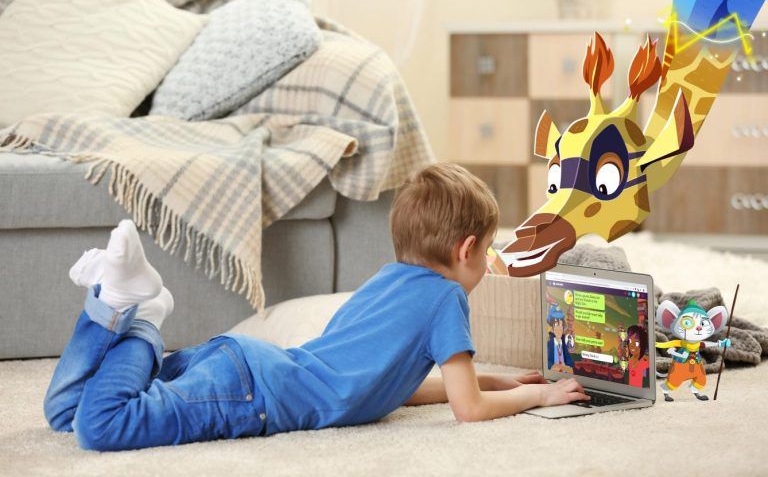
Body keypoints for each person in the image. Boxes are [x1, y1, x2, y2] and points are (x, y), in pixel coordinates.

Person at [44, 163, 590, 452]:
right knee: (102, 425)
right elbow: (465, 410)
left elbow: (401, 387)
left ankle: (108, 308)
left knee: (65, 414)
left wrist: (497, 382)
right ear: (466, 250)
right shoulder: (447, 297)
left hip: (242, 364)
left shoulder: (387, 279)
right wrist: (538, 395)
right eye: (487, 247)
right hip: (253, 395)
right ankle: (138, 315)